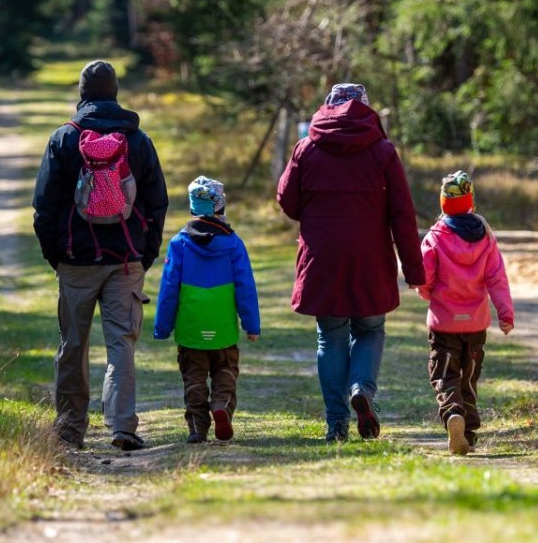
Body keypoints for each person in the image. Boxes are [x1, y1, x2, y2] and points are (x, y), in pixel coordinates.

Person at [276, 83, 425, 443]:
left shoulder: (306, 148)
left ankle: (336, 424)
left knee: (330, 336)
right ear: (366, 108)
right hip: (370, 259)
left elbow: (287, 201)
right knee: (370, 330)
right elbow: (403, 215)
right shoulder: (383, 151)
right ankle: (362, 389)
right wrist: (414, 270)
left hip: (322, 258)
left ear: (327, 107)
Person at [32, 60, 169, 451]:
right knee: (121, 343)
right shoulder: (138, 141)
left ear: (81, 93)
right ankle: (122, 425)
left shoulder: (64, 138)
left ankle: (70, 428)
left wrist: (54, 255)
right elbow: (157, 203)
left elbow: (43, 206)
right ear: (115, 92)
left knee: (72, 344)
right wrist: (146, 253)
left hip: (75, 260)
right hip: (125, 260)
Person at [153, 176, 261, 444]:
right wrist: (251, 325)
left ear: (192, 208)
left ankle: (198, 429)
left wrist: (162, 326)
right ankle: (221, 404)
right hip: (222, 325)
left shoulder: (179, 243)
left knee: (193, 377)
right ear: (220, 207)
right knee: (225, 369)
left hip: (191, 326)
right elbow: (245, 286)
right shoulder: (234, 244)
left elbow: (169, 288)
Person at [416, 170, 514, 456]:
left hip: (444, 324)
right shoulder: (486, 236)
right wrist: (505, 314)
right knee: (469, 378)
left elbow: (424, 277)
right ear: (471, 201)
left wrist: (426, 293)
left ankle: (452, 414)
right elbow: (498, 279)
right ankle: (467, 434)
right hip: (475, 325)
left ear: (443, 203)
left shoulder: (435, 237)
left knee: (445, 375)